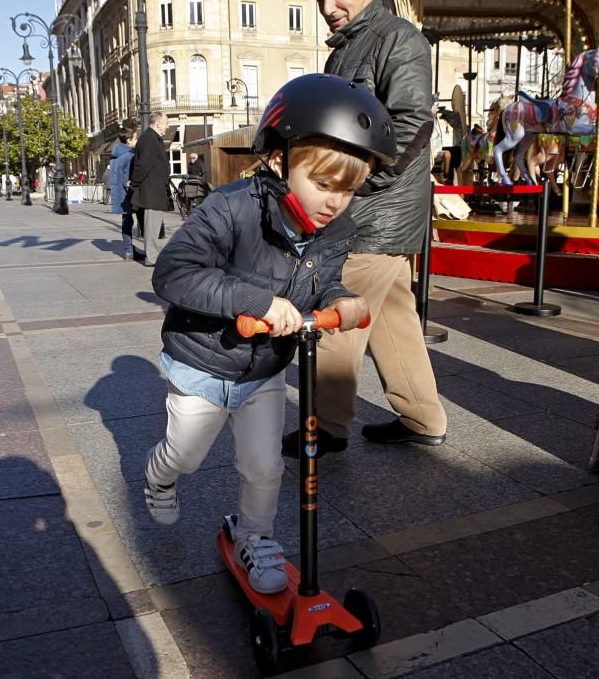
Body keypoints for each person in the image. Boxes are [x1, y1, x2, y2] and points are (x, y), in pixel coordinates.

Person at [144, 74, 394, 593]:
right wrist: (257, 302)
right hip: (202, 364)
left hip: (264, 370)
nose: (334, 202)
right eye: (323, 184)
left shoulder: (334, 229)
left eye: (347, 190)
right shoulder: (231, 207)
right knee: (187, 455)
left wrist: (336, 301)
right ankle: (160, 473)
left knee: (264, 467)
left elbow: (321, 279)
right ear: (279, 161)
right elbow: (173, 273)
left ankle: (255, 537)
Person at [281, 0, 447, 458]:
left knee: (337, 314)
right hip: (377, 209)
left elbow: (412, 122)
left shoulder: (397, 36)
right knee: (394, 317)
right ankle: (423, 416)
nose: (327, 7)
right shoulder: (352, 45)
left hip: (375, 211)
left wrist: (350, 184)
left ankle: (326, 428)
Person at [128, 112, 172, 266]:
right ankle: (151, 257)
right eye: (166, 123)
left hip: (154, 190)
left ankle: (152, 254)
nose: (168, 126)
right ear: (158, 123)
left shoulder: (153, 138)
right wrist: (134, 182)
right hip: (150, 191)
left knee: (153, 226)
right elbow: (143, 165)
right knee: (151, 227)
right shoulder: (149, 139)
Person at [108, 127, 138, 260]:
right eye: (136, 138)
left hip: (119, 193)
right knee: (139, 220)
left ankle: (128, 250)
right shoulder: (129, 155)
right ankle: (133, 250)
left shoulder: (116, 155)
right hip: (128, 193)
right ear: (129, 140)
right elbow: (128, 176)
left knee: (126, 221)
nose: (137, 141)